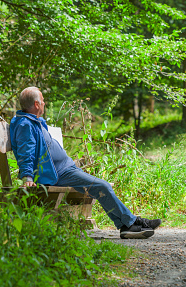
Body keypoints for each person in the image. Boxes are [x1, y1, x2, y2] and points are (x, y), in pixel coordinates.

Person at [10, 87, 161, 239]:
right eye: (42, 100)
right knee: (102, 186)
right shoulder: (25, 125)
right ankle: (131, 222)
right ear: (36, 104)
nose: (44, 103)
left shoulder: (33, 122)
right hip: (58, 173)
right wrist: (28, 177)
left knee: (100, 187)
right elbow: (25, 151)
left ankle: (127, 225)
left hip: (65, 169)